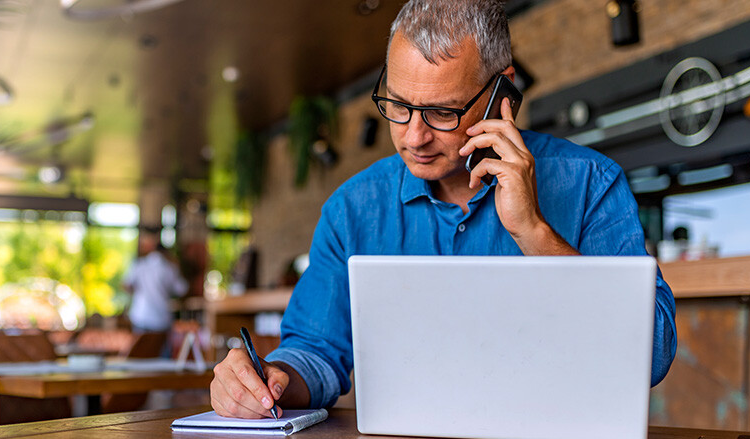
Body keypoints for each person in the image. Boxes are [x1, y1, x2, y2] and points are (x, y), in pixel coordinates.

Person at [209, 0, 677, 419]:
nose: (414, 137)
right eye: (397, 104)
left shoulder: (590, 182)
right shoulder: (353, 209)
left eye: (442, 113)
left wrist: (533, 231)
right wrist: (270, 382)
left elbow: (650, 357)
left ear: (502, 92)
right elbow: (315, 350)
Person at [122, 231, 188, 333]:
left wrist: (137, 290)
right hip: (161, 319)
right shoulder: (170, 268)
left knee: (142, 348)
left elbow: (126, 285)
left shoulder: (139, 265)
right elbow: (182, 289)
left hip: (140, 316)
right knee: (160, 348)